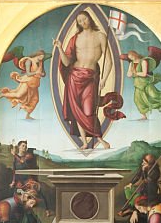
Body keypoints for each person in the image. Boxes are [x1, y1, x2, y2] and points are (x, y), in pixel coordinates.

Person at [53, 10, 124, 150]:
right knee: (77, 111)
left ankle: (100, 139)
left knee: (88, 110)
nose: (83, 23)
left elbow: (109, 61)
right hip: (74, 77)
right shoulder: (75, 38)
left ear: (90, 19)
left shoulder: (100, 36)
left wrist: (104, 78)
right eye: (79, 21)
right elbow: (67, 63)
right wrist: (60, 48)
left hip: (90, 78)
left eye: (84, 19)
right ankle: (85, 142)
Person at [124, 50, 161, 119]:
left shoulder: (143, 61)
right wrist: (131, 73)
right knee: (137, 100)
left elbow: (144, 74)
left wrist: (135, 73)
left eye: (132, 56)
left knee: (154, 95)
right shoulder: (131, 64)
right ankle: (144, 116)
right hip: (138, 84)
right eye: (130, 58)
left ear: (136, 54)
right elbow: (128, 74)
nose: (132, 58)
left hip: (146, 82)